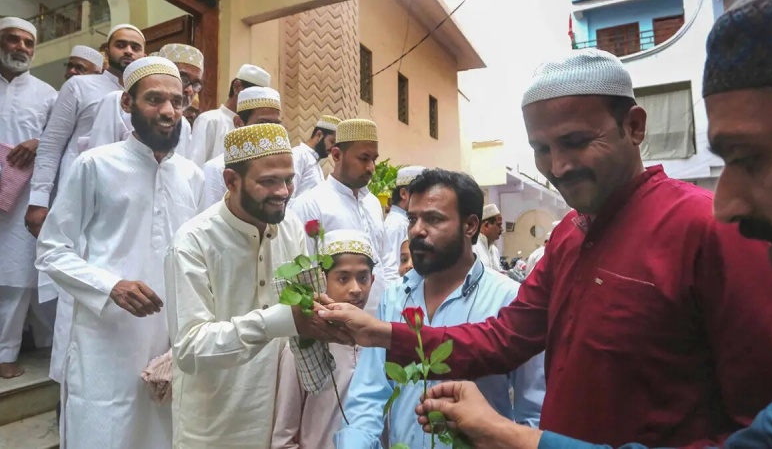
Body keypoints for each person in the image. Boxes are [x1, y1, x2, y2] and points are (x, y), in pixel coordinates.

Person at [320, 48, 772, 448]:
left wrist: (513, 437)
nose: (559, 165)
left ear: (633, 126)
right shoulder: (571, 234)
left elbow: (763, 425)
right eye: (542, 148)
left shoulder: (710, 228)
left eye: (575, 142)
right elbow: (504, 338)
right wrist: (380, 333)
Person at [35, 56, 204, 448]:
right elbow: (51, 249)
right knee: (103, 428)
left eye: (177, 102)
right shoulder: (94, 165)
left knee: (163, 432)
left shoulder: (191, 177)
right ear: (126, 104)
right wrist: (111, 286)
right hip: (105, 338)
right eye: (155, 100)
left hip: (167, 337)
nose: (168, 112)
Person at [165, 123, 350, 448]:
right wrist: (281, 319)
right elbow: (190, 349)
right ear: (231, 181)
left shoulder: (290, 227)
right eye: (268, 181)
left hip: (280, 419)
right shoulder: (193, 242)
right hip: (213, 424)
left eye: (289, 179)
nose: (283, 191)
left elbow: (300, 310)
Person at [334, 169, 546, 449]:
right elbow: (368, 396)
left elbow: (533, 412)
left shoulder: (510, 301)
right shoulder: (396, 298)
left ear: (470, 226)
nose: (417, 230)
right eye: (412, 218)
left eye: (433, 219)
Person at [25, 23, 145, 236]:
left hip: (126, 197)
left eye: (135, 47)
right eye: (121, 44)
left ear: (143, 54)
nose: (128, 51)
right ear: (107, 51)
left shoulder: (146, 97)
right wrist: (38, 200)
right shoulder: (79, 86)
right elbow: (52, 144)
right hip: (77, 190)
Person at [272, 229, 376, 449]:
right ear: (322, 280)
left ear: (373, 280)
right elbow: (284, 438)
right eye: (343, 278)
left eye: (363, 277)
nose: (356, 289)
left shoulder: (378, 343)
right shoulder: (302, 347)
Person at [290, 119, 399, 316]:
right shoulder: (311, 203)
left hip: (379, 319)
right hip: (334, 323)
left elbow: (384, 261)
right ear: (337, 155)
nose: (371, 168)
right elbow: (305, 272)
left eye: (373, 159)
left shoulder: (373, 203)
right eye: (364, 158)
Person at [0, 17, 58, 379]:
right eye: (12, 39)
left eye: (28, 42)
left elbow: (60, 138)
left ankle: (5, 353)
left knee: (17, 275)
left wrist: (39, 142)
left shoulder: (47, 93)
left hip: (23, 196)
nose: (21, 47)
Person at [86, 43, 200, 157]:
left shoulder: (183, 125)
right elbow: (99, 158)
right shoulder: (115, 101)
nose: (190, 90)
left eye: (196, 84)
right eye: (183, 78)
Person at [202, 85, 283, 209]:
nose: (270, 133)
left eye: (276, 125)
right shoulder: (217, 168)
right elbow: (209, 219)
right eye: (263, 124)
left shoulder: (282, 169)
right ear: (239, 123)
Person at [188, 63, 271, 167]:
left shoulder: (254, 127)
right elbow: (195, 165)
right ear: (237, 87)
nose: (257, 102)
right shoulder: (210, 120)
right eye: (254, 95)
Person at [290, 115, 341, 203]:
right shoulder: (299, 155)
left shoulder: (317, 165)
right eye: (332, 142)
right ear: (319, 135)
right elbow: (289, 196)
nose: (333, 148)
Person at [384, 165, 425, 276]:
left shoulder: (406, 221)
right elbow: (390, 270)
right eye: (421, 193)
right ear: (403, 193)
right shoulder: (397, 224)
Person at [475, 203, 504, 272]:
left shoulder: (494, 250)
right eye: (498, 225)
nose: (502, 229)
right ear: (486, 225)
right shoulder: (473, 248)